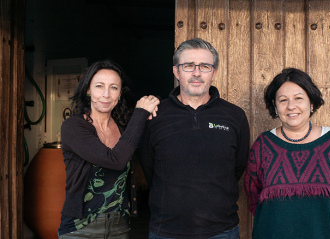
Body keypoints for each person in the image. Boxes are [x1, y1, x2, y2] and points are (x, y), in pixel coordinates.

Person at [139, 38, 250, 239]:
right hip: (166, 231)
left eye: (205, 66)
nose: (196, 73)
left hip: (222, 231)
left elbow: (237, 167)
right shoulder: (155, 116)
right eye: (188, 66)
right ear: (176, 71)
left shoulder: (234, 116)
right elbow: (149, 167)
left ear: (214, 73)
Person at [244, 68, 330, 239]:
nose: (291, 106)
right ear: (275, 106)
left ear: (312, 102)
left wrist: (327, 222)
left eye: (299, 98)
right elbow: (252, 192)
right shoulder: (263, 145)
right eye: (283, 100)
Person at [57, 59, 160, 238]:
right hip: (80, 228)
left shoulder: (124, 127)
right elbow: (116, 160)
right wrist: (141, 113)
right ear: (88, 90)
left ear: (120, 93)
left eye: (114, 87)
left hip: (119, 226)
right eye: (99, 86)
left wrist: (153, 106)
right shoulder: (73, 127)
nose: (106, 94)